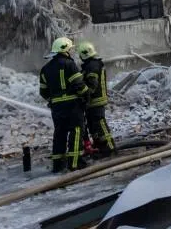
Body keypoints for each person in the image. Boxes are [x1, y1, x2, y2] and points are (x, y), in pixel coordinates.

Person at [39, 37, 89, 172]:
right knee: (76, 131)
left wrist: (54, 99)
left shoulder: (45, 69)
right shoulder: (69, 64)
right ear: (65, 49)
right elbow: (79, 85)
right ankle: (75, 163)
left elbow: (43, 92)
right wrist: (86, 95)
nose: (71, 51)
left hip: (56, 108)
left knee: (59, 133)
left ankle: (58, 165)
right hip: (72, 105)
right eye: (70, 49)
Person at [78, 41, 116, 158]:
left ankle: (110, 147)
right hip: (92, 102)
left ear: (82, 55)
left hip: (95, 101)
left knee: (100, 123)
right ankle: (99, 146)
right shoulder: (92, 64)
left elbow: (92, 85)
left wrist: (84, 93)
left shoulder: (92, 66)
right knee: (92, 125)